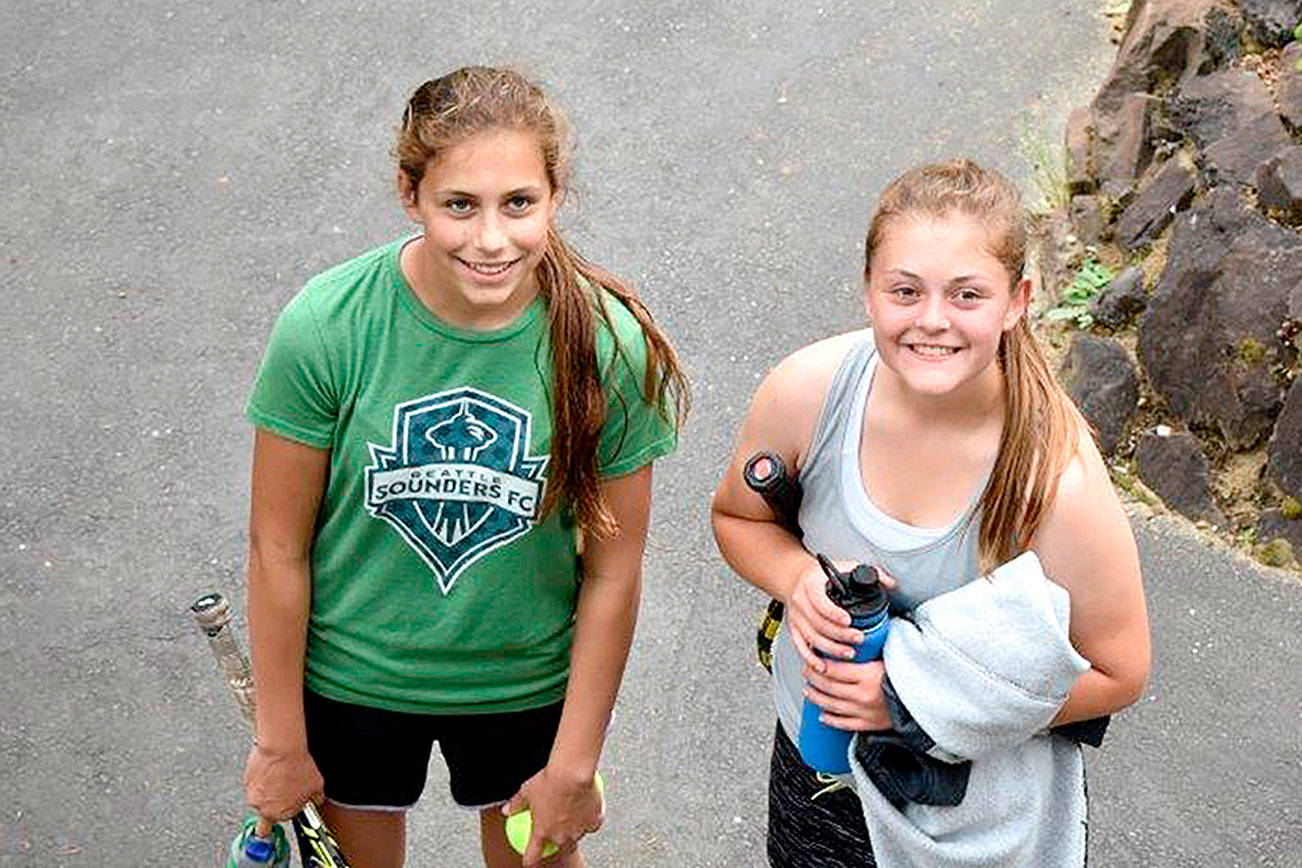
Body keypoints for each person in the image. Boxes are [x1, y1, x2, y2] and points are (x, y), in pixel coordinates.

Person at [240, 66, 688, 868]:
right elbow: (278, 548)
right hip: (353, 683)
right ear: (409, 193)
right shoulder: (327, 326)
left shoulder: (607, 346)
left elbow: (613, 573)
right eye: (459, 205)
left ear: (556, 195)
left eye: (518, 203)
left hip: (525, 688)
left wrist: (574, 764)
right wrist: (280, 742)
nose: (490, 239)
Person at [711, 160, 1150, 867]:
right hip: (814, 765)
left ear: (1017, 301)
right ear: (868, 290)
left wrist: (914, 703)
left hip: (972, 819)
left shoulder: (1053, 480)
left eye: (967, 294)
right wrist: (798, 579)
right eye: (905, 291)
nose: (933, 320)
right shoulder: (808, 393)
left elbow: (1120, 671)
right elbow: (739, 519)